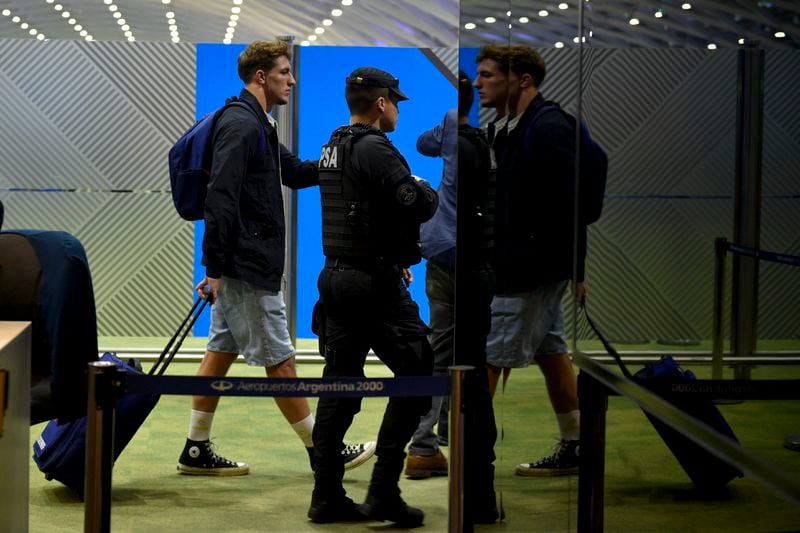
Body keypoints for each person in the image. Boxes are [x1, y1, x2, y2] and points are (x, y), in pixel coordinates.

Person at [179, 40, 374, 476]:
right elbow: (221, 198)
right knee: (281, 361)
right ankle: (322, 450)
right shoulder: (243, 125)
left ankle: (195, 448)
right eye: (285, 72)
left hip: (242, 263)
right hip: (247, 265)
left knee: (220, 352)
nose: (293, 79)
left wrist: (338, 156)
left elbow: (294, 171)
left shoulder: (257, 124)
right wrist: (213, 270)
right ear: (262, 76)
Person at [307, 67, 438, 526]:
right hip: (373, 285)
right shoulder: (376, 148)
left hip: (335, 279)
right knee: (419, 373)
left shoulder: (333, 146)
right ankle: (383, 491)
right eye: (396, 102)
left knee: (339, 386)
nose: (398, 109)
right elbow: (418, 204)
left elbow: (364, 212)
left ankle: (325, 497)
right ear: (382, 103)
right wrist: (424, 187)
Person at [475, 44, 588, 477]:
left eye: (488, 75)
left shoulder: (548, 126)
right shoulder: (511, 125)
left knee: (490, 359)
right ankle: (576, 446)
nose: (480, 82)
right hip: (527, 267)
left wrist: (576, 268)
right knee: (552, 354)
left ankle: (474, 462)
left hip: (527, 271)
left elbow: (571, 202)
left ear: (522, 80)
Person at [404, 70, 501, 524]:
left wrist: (447, 122)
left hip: (441, 251)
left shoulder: (450, 128)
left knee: (444, 347)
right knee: (464, 356)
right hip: (470, 259)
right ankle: (427, 445)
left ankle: (433, 440)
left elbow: (424, 144)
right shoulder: (488, 140)